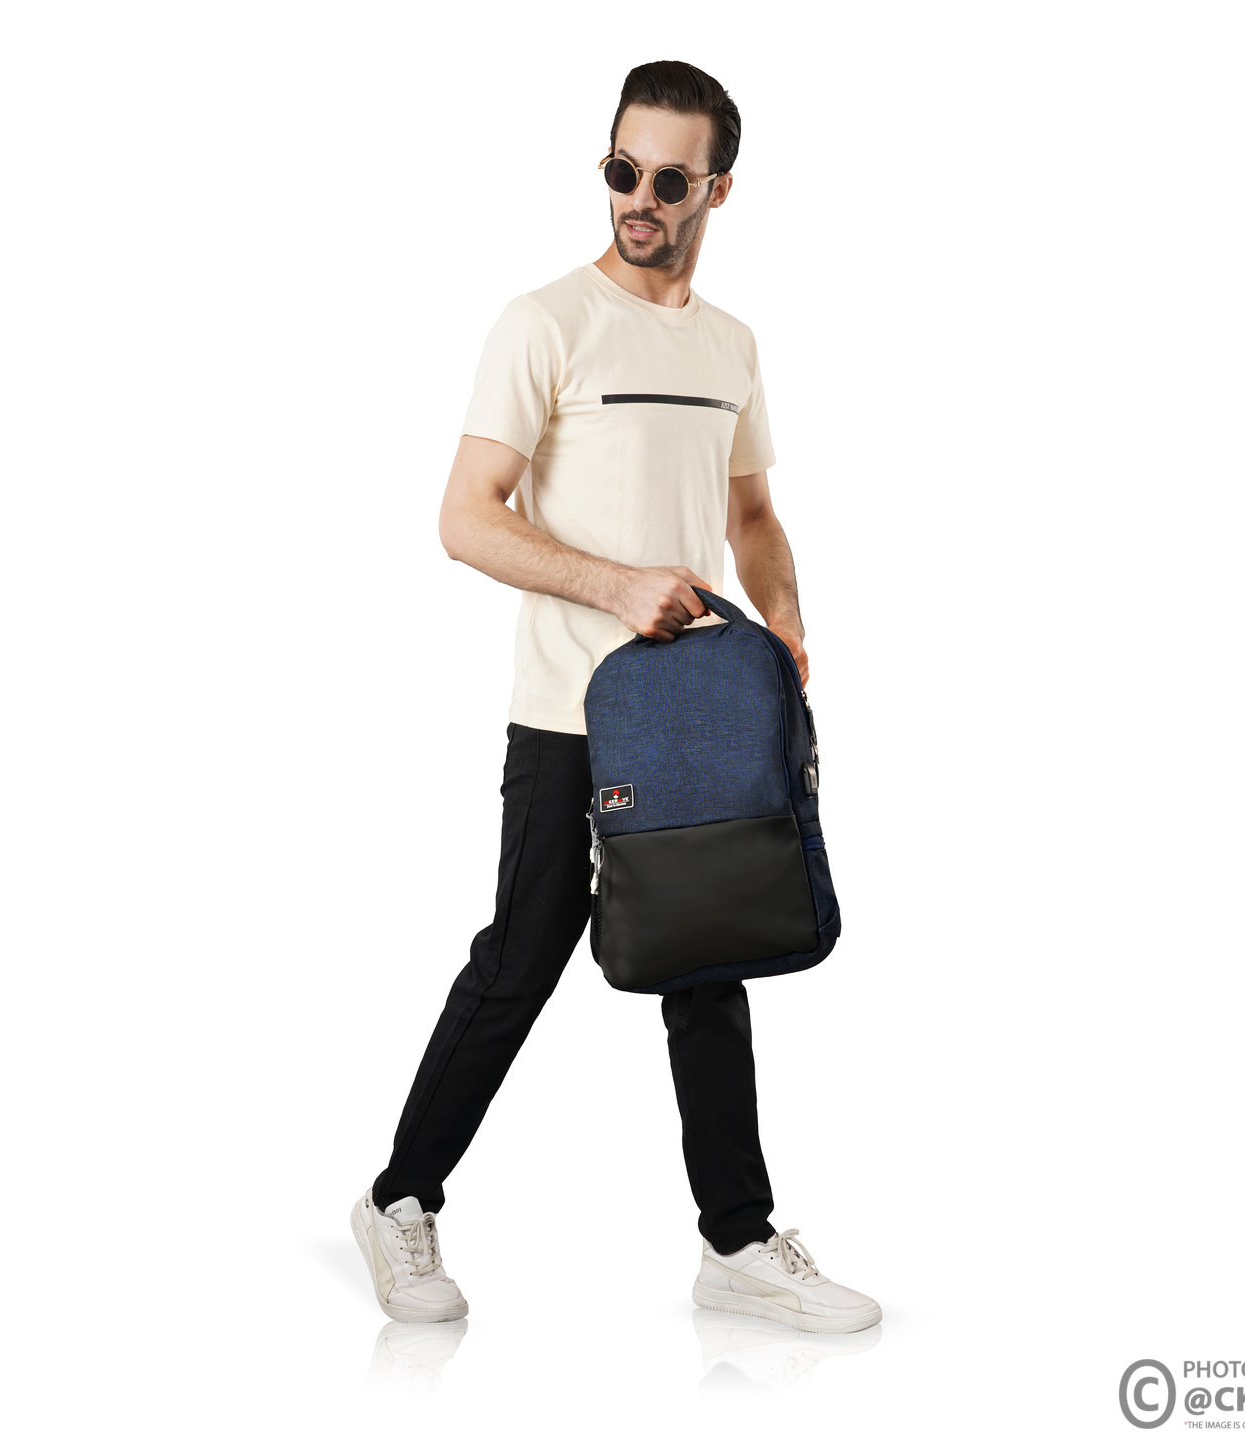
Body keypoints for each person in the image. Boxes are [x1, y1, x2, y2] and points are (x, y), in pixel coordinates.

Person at [351, 59, 880, 1336]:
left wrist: (787, 628)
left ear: (717, 191)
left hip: (695, 718)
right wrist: (617, 583)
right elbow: (465, 519)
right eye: (621, 169)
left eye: (669, 180)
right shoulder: (542, 323)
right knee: (520, 960)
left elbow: (753, 515)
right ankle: (398, 1199)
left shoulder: (732, 345)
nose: (640, 197)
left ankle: (737, 1241)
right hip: (567, 712)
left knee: (709, 962)